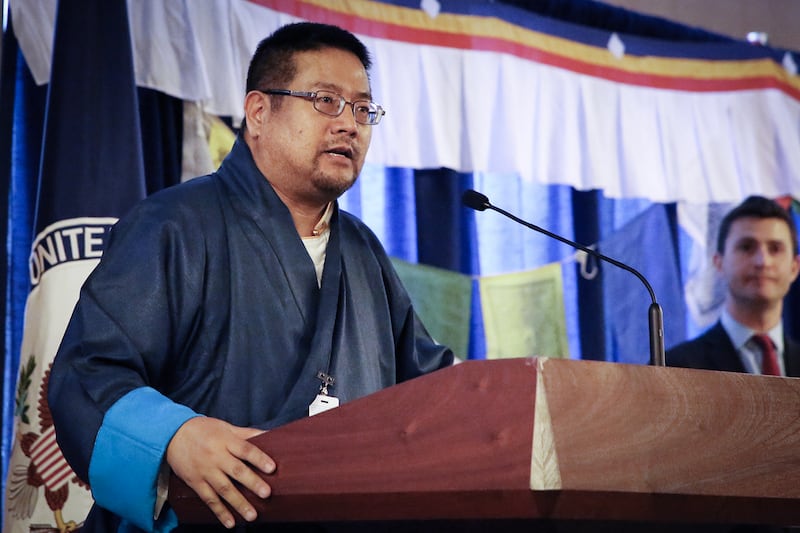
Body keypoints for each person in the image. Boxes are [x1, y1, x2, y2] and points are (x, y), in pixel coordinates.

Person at [48, 22, 453, 532]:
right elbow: (88, 374)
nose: (350, 124)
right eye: (326, 101)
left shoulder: (366, 253)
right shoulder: (174, 224)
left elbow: (431, 395)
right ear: (259, 112)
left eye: (363, 108)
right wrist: (175, 436)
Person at [667, 195, 800, 376]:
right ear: (719, 263)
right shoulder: (675, 368)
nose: (762, 261)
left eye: (775, 248)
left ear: (794, 267)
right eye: (746, 247)